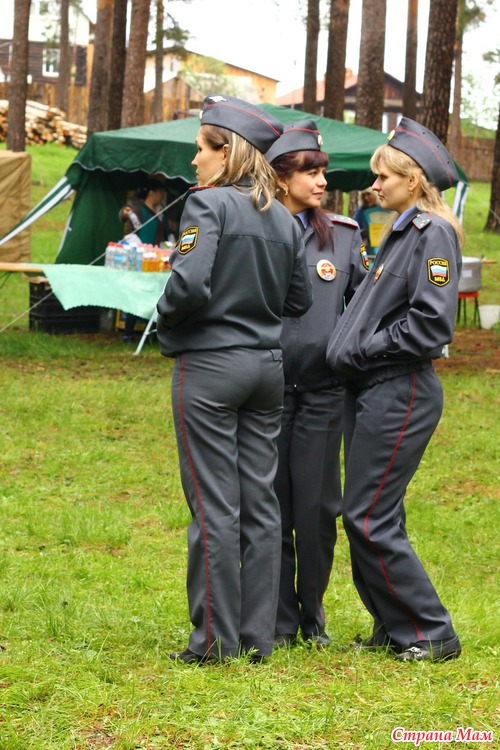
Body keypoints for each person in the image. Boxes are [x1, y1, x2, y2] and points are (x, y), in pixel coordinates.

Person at [156, 94, 313, 664]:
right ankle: (257, 637)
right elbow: (299, 299)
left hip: (210, 367)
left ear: (227, 153)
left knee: (214, 504)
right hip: (267, 369)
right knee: (261, 505)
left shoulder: (208, 205)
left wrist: (163, 316)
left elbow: (187, 285)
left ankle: (214, 644)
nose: (194, 159)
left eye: (202, 148)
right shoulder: (284, 218)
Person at [326, 117, 464, 662]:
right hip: (375, 388)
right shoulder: (401, 231)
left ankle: (432, 632)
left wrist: (364, 348)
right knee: (371, 512)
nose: (374, 185)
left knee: (368, 515)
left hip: (400, 388)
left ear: (413, 179)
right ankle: (393, 625)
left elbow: (431, 325)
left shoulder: (433, 234)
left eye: (383, 176)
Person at [265, 120, 368, 648]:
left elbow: (368, 307)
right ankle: (281, 620)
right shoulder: (257, 229)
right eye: (311, 172)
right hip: (268, 393)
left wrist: (350, 354)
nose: (322, 181)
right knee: (272, 508)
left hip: (325, 394)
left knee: (317, 511)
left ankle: (312, 615)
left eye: (323, 171)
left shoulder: (344, 236)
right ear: (281, 177)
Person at [119, 178, 168, 341]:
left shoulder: (160, 213)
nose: (162, 196)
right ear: (152, 193)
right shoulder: (138, 210)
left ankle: (151, 336)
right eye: (160, 192)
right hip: (140, 262)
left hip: (156, 262)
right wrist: (143, 251)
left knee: (153, 297)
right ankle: (128, 334)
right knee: (136, 296)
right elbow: (129, 233)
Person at [353, 187, 392, 258]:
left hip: (388, 247)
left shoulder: (387, 207)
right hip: (370, 250)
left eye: (368, 194)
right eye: (364, 195)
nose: (366, 198)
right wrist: (364, 232)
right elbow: (355, 229)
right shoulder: (361, 211)